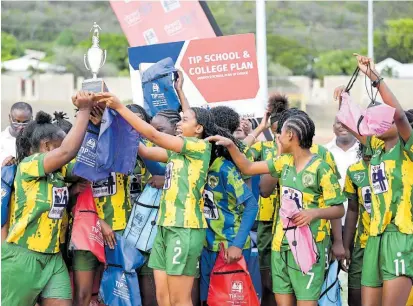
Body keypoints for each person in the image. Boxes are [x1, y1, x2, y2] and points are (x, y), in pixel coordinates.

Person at [95, 91, 243, 306]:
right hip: (164, 227)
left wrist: (120, 107)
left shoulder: (198, 147)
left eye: (184, 120)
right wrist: (110, 123)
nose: (179, 124)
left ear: (199, 129)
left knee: (179, 300)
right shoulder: (178, 151)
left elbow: (153, 136)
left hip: (185, 228)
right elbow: (144, 150)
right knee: (163, 299)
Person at [206, 110, 345, 306]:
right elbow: (247, 168)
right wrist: (230, 145)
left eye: (281, 133)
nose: (277, 137)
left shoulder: (321, 167)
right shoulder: (283, 162)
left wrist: (315, 213)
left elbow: (339, 209)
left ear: (291, 136)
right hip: (281, 245)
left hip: (309, 246)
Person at [333, 54, 413, 306]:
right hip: (374, 236)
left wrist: (373, 76)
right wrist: (344, 96)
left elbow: (399, 115)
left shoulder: (407, 150)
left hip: (400, 234)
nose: (377, 123)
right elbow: (352, 122)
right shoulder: (376, 149)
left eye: (383, 118)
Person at [1, 92, 94, 306]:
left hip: (53, 257)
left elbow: (87, 164)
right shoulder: (29, 165)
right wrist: (84, 111)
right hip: (23, 256)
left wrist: (95, 124)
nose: (66, 150)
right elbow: (67, 152)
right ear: (46, 146)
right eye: (59, 145)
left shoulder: (60, 171)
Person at [72, 107, 132, 306]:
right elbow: (67, 192)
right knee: (83, 295)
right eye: (89, 116)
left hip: (119, 228)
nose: (95, 120)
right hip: (86, 231)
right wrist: (98, 222)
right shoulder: (76, 150)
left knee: (117, 291)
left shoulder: (121, 147)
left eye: (100, 116)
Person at [200, 107, 258, 304]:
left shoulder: (224, 168)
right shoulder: (198, 164)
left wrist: (237, 244)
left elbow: (251, 205)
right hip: (207, 246)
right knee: (209, 299)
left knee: (233, 300)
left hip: (231, 246)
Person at [247, 93, 289, 306]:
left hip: (293, 222)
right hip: (266, 220)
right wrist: (258, 128)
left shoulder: (306, 151)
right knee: (268, 283)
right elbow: (242, 155)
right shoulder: (263, 148)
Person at [341, 143, 372, 306]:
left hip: (389, 240)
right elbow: (352, 210)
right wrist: (346, 246)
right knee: (355, 293)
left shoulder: (395, 166)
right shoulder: (354, 171)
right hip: (362, 242)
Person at [0, 101, 33, 166]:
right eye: (17, 122)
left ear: (31, 119)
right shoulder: (1, 139)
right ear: (10, 118)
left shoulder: (36, 138)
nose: (20, 126)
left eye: (25, 122)